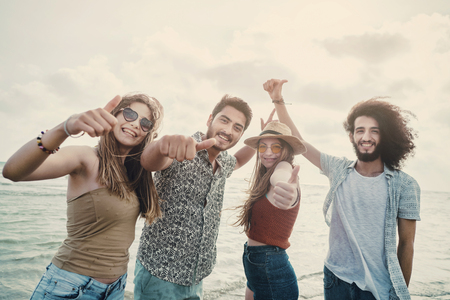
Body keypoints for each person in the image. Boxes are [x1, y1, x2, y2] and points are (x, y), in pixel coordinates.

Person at [263, 79, 420, 300]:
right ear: (352, 136)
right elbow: (301, 142)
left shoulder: (404, 185)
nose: (366, 137)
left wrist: (398, 294)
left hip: (378, 288)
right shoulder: (338, 169)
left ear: (384, 135)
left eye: (374, 131)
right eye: (360, 130)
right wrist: (278, 101)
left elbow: (406, 244)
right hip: (336, 278)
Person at [2, 93, 163, 300]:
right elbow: (12, 172)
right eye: (130, 114)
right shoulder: (87, 158)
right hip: (70, 286)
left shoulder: (136, 173)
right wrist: (65, 128)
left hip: (115, 288)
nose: (135, 124)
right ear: (114, 115)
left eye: (145, 122)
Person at [134, 94, 264, 300]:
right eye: (224, 120)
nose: (229, 131)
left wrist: (260, 139)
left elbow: (238, 161)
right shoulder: (183, 149)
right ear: (210, 119)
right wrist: (161, 146)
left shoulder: (223, 162)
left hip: (196, 277)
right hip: (160, 275)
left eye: (237, 128)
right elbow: (148, 162)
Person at [234, 120, 306, 300]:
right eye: (262, 147)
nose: (267, 153)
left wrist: (286, 188)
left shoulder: (284, 167)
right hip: (258, 266)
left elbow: (282, 177)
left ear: (286, 150)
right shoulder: (263, 177)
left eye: (275, 147)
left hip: (274, 272)